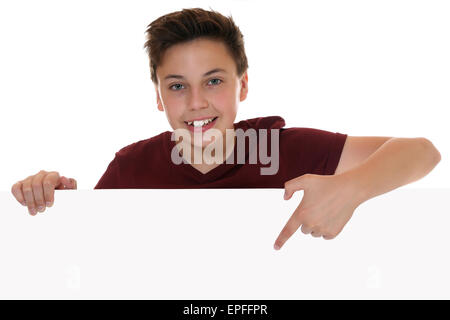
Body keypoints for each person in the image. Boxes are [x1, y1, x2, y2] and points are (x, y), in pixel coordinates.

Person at [10, 8, 441, 249]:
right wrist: (55, 205)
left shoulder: (287, 149)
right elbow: (89, 251)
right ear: (159, 96)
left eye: (214, 81)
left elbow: (423, 151)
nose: (196, 103)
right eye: (177, 86)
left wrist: (352, 188)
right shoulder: (131, 167)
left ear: (243, 85)